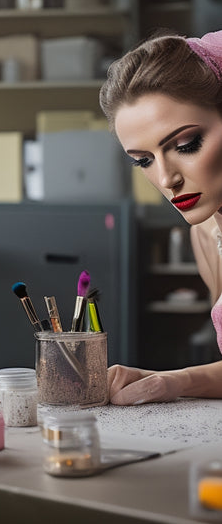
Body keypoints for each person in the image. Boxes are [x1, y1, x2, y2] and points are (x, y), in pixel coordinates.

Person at [99, 30, 222, 405]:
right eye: (144, 160)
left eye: (186, 145)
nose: (166, 179)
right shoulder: (206, 234)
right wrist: (167, 382)